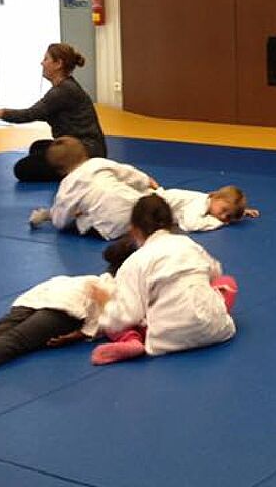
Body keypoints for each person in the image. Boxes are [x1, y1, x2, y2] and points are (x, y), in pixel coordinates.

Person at [88, 194, 238, 365]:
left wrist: (105, 304)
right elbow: (216, 272)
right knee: (227, 282)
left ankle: (131, 340)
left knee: (120, 317)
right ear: (170, 225)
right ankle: (206, 315)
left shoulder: (134, 262)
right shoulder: (189, 244)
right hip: (218, 330)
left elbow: (125, 315)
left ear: (134, 230)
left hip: (169, 338)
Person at [0, 43, 106, 183]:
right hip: (81, 147)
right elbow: (42, 113)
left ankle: (75, 170)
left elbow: (28, 114)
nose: (42, 63)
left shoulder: (63, 91)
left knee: (21, 169)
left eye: (46, 59)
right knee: (38, 146)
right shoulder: (66, 87)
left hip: (84, 152)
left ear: (58, 64)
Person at [99, 184, 260, 275]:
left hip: (152, 209)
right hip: (146, 209)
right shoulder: (199, 203)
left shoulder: (209, 202)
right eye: (224, 210)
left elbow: (223, 208)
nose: (223, 216)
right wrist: (219, 223)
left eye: (228, 215)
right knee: (119, 228)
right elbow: (190, 224)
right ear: (215, 197)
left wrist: (241, 213)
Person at [27, 136, 160, 240]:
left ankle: (47, 214)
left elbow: (61, 221)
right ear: (85, 152)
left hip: (114, 226)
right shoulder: (99, 162)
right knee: (131, 192)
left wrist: (54, 216)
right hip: (140, 211)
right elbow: (128, 173)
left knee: (81, 219)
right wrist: (146, 180)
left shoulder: (68, 185)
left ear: (59, 171)